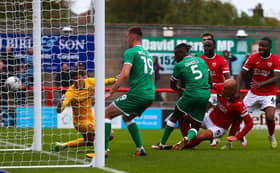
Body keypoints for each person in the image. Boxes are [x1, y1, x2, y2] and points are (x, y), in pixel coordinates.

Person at [89, 27, 155, 157]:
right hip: (150, 95)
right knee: (127, 117)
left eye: (127, 37)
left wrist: (111, 92)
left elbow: (124, 75)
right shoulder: (147, 54)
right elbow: (149, 75)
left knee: (105, 113)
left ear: (132, 37)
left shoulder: (130, 52)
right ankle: (140, 148)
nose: (127, 39)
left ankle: (103, 150)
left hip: (137, 94)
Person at [152, 43, 210, 150]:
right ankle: (187, 138)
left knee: (175, 116)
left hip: (191, 93)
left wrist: (179, 90)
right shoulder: (201, 60)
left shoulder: (180, 65)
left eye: (175, 54)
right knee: (196, 124)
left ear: (181, 53)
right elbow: (209, 79)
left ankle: (162, 143)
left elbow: (172, 84)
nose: (174, 57)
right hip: (205, 94)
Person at [172, 79, 253, 150]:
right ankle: (186, 141)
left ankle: (185, 145)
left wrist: (238, 137)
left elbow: (249, 123)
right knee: (182, 116)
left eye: (225, 89)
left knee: (200, 137)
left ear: (232, 91)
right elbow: (208, 83)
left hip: (219, 127)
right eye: (223, 87)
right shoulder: (221, 87)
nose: (223, 89)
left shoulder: (238, 104)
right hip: (208, 117)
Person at [51, 69, 116, 152]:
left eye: (78, 78)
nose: (76, 81)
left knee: (89, 141)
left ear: (83, 77)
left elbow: (106, 81)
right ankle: (102, 150)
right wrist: (60, 106)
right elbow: (60, 110)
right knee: (109, 133)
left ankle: (62, 145)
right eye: (74, 79)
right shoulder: (70, 91)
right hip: (80, 122)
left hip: (91, 119)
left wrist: (116, 79)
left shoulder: (90, 82)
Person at [234, 37, 280, 149]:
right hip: (253, 93)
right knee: (239, 115)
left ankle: (271, 135)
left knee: (270, 117)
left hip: (269, 94)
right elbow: (242, 74)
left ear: (270, 47)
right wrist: (237, 90)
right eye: (260, 46)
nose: (261, 48)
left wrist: (261, 84)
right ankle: (241, 135)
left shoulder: (276, 60)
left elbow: (277, 78)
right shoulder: (253, 58)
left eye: (264, 46)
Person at [200, 39, 234, 146]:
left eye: (209, 46)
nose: (206, 48)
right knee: (203, 110)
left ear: (214, 47)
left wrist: (228, 90)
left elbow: (227, 77)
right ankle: (211, 134)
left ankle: (221, 133)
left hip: (218, 90)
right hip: (205, 89)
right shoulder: (200, 60)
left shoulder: (221, 60)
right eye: (205, 46)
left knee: (219, 112)